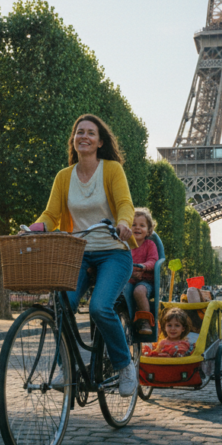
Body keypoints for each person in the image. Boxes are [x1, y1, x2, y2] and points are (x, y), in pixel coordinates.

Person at [31, 114, 139, 397]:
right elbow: (51, 215)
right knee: (60, 307)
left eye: (91, 133)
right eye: (79, 132)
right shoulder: (64, 177)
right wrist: (35, 228)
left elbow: (125, 204)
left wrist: (124, 223)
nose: (84, 136)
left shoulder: (112, 169)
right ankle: (64, 367)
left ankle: (125, 364)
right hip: (76, 253)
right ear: (74, 139)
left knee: (100, 307)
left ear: (100, 141)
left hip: (113, 252)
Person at [129, 207, 159, 336]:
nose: (137, 228)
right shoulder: (124, 245)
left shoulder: (150, 245)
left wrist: (143, 266)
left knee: (139, 291)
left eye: (142, 225)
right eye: (133, 225)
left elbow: (153, 260)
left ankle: (145, 321)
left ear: (148, 230)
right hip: (127, 279)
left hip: (145, 280)